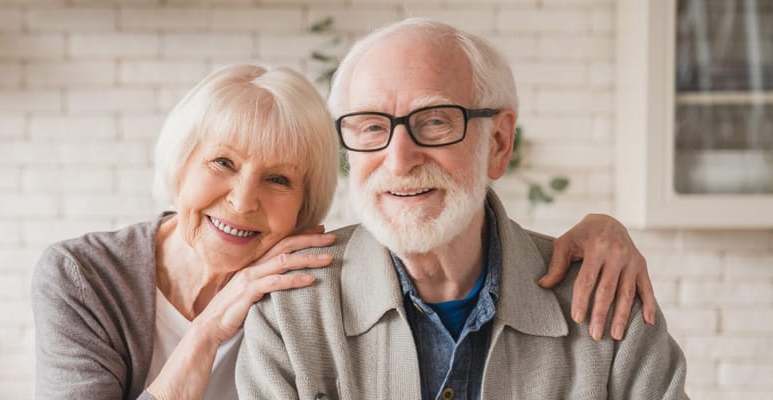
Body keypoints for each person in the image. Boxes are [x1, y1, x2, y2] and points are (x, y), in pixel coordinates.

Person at [33, 64, 660, 400]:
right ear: (180, 163)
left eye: (279, 180)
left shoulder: (302, 274)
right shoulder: (84, 277)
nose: (243, 200)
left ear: (308, 205)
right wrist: (210, 330)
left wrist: (605, 228)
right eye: (221, 163)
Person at [236, 18, 687, 400]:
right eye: (372, 126)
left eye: (434, 121)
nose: (399, 160)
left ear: (499, 142)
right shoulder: (289, 311)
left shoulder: (608, 306)